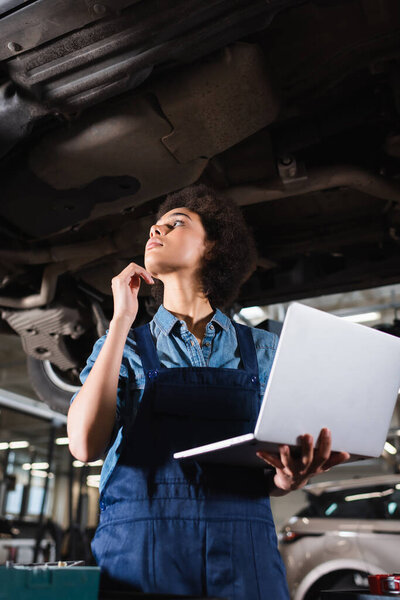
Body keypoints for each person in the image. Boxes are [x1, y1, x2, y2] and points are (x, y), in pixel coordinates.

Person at [67, 184, 349, 599]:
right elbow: (84, 445)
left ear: (214, 247)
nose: (155, 232)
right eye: (154, 227)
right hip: (142, 554)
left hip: (244, 554)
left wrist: (288, 480)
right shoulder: (122, 345)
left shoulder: (266, 350)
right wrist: (120, 320)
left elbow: (273, 466)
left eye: (175, 223)